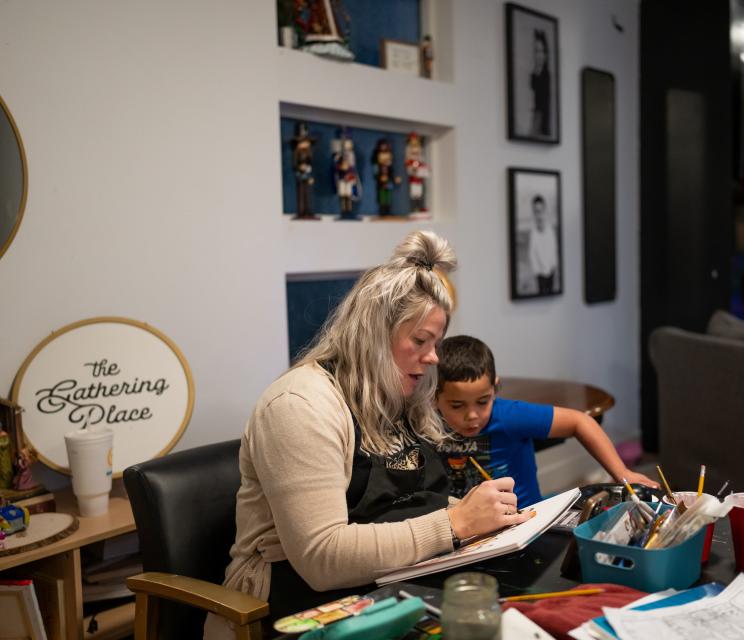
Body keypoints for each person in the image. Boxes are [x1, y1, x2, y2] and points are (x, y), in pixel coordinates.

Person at [205, 232, 532, 637]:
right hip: (297, 605)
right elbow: (322, 558)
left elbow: (407, 500)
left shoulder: (398, 396)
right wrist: (454, 523)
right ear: (375, 333)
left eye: (437, 342)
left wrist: (482, 517)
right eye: (420, 341)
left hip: (395, 582)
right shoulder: (298, 406)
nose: (434, 358)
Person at [434, 335, 658, 509]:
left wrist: (622, 472)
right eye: (457, 406)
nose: (472, 415)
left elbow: (581, 422)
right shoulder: (427, 423)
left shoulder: (509, 416)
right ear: (433, 398)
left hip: (523, 521)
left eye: (483, 401)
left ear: (495, 387)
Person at [528, 195, 558, 294]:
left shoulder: (550, 231)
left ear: (545, 211)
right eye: (536, 211)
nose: (539, 215)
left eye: (541, 211)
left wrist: (552, 268)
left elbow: (554, 251)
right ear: (533, 213)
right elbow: (532, 254)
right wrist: (537, 271)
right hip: (540, 274)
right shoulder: (533, 233)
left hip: (551, 272)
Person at [529, 29, 551, 137]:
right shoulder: (534, 74)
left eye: (541, 51)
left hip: (542, 119)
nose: (538, 55)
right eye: (536, 51)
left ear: (546, 54)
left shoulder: (546, 77)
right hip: (536, 116)